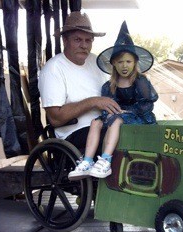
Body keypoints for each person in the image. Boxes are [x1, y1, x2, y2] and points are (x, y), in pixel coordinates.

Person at [68, 21, 158, 180]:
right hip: (118, 115)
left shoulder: (140, 81)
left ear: (135, 63)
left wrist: (124, 113)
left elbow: (146, 105)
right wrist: (108, 114)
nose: (124, 66)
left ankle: (105, 161)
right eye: (120, 62)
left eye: (128, 62)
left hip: (139, 117)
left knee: (115, 121)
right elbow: (108, 105)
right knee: (96, 122)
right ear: (114, 64)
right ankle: (87, 161)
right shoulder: (109, 85)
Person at [38, 11, 122, 151]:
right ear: (65, 40)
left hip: (105, 124)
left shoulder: (96, 61)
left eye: (88, 40)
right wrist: (93, 101)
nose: (84, 45)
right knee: (118, 140)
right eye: (78, 40)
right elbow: (55, 118)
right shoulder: (53, 68)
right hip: (73, 135)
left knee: (137, 132)